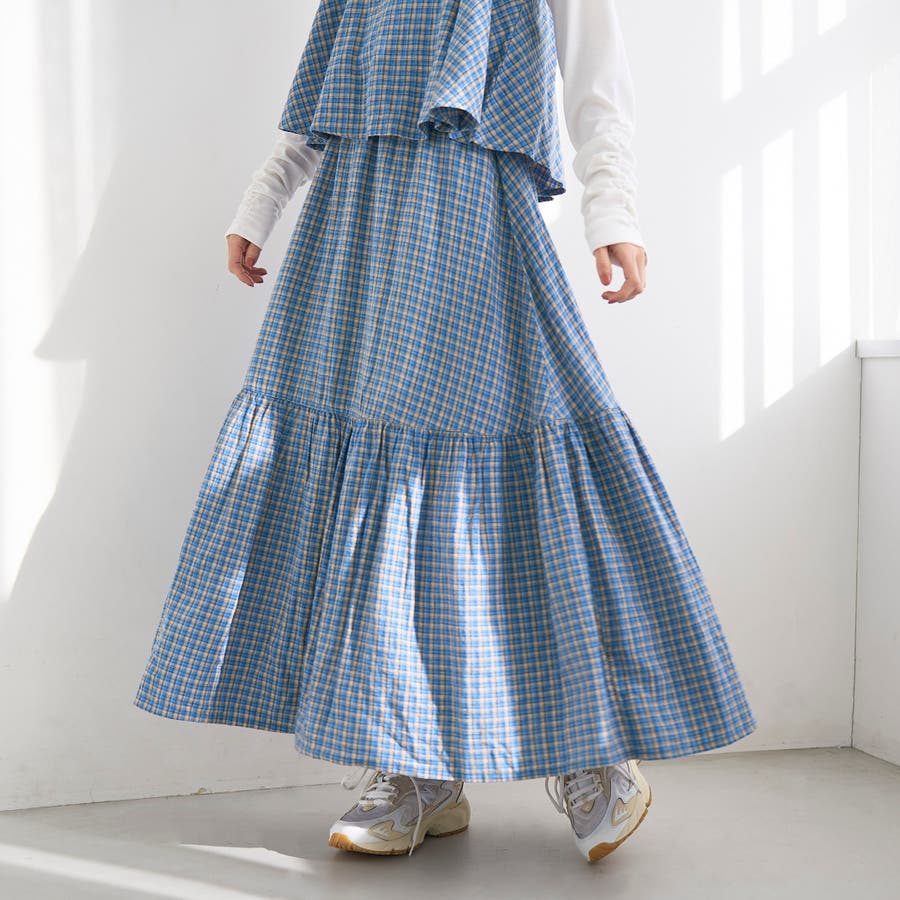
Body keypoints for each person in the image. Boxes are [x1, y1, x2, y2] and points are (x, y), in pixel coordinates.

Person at [133, 0, 757, 863]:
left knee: (496, 480)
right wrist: (261, 201)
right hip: (355, 229)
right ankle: (415, 767)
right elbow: (328, 94)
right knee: (379, 492)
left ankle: (595, 749)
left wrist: (613, 215)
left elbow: (597, 79)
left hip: (476, 218)